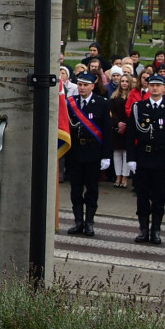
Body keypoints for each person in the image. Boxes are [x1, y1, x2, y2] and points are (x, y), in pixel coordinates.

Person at [127, 74, 165, 244]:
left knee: (159, 197)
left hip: (161, 158)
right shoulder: (139, 107)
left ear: (164, 88)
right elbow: (131, 135)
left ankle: (156, 229)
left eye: (158, 85)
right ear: (148, 87)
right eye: (152, 85)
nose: (155, 88)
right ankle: (143, 229)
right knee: (142, 196)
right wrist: (131, 158)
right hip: (142, 157)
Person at [64, 71, 113, 235]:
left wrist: (106, 155)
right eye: (79, 84)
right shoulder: (70, 102)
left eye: (85, 85)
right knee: (76, 189)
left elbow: (107, 131)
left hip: (93, 152)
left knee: (92, 189)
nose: (82, 88)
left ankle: (89, 222)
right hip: (75, 152)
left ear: (92, 86)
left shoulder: (102, 104)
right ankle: (78, 221)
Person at [109, 73, 132, 188]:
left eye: (126, 81)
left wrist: (126, 124)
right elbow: (112, 113)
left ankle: (125, 177)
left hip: (128, 127)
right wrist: (117, 123)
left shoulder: (132, 96)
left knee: (126, 153)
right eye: (122, 81)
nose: (124, 83)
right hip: (116, 127)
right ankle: (118, 176)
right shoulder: (114, 96)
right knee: (117, 153)